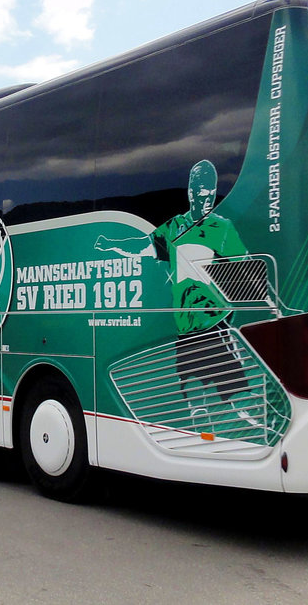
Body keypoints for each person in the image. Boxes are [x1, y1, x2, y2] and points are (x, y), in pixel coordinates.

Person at [95, 160, 258, 425]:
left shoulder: (222, 228)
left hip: (214, 323)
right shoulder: (174, 228)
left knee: (238, 396)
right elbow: (141, 247)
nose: (207, 198)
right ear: (191, 192)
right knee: (192, 395)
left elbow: (248, 269)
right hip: (185, 328)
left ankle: (262, 422)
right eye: (202, 192)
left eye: (211, 192)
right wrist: (111, 244)